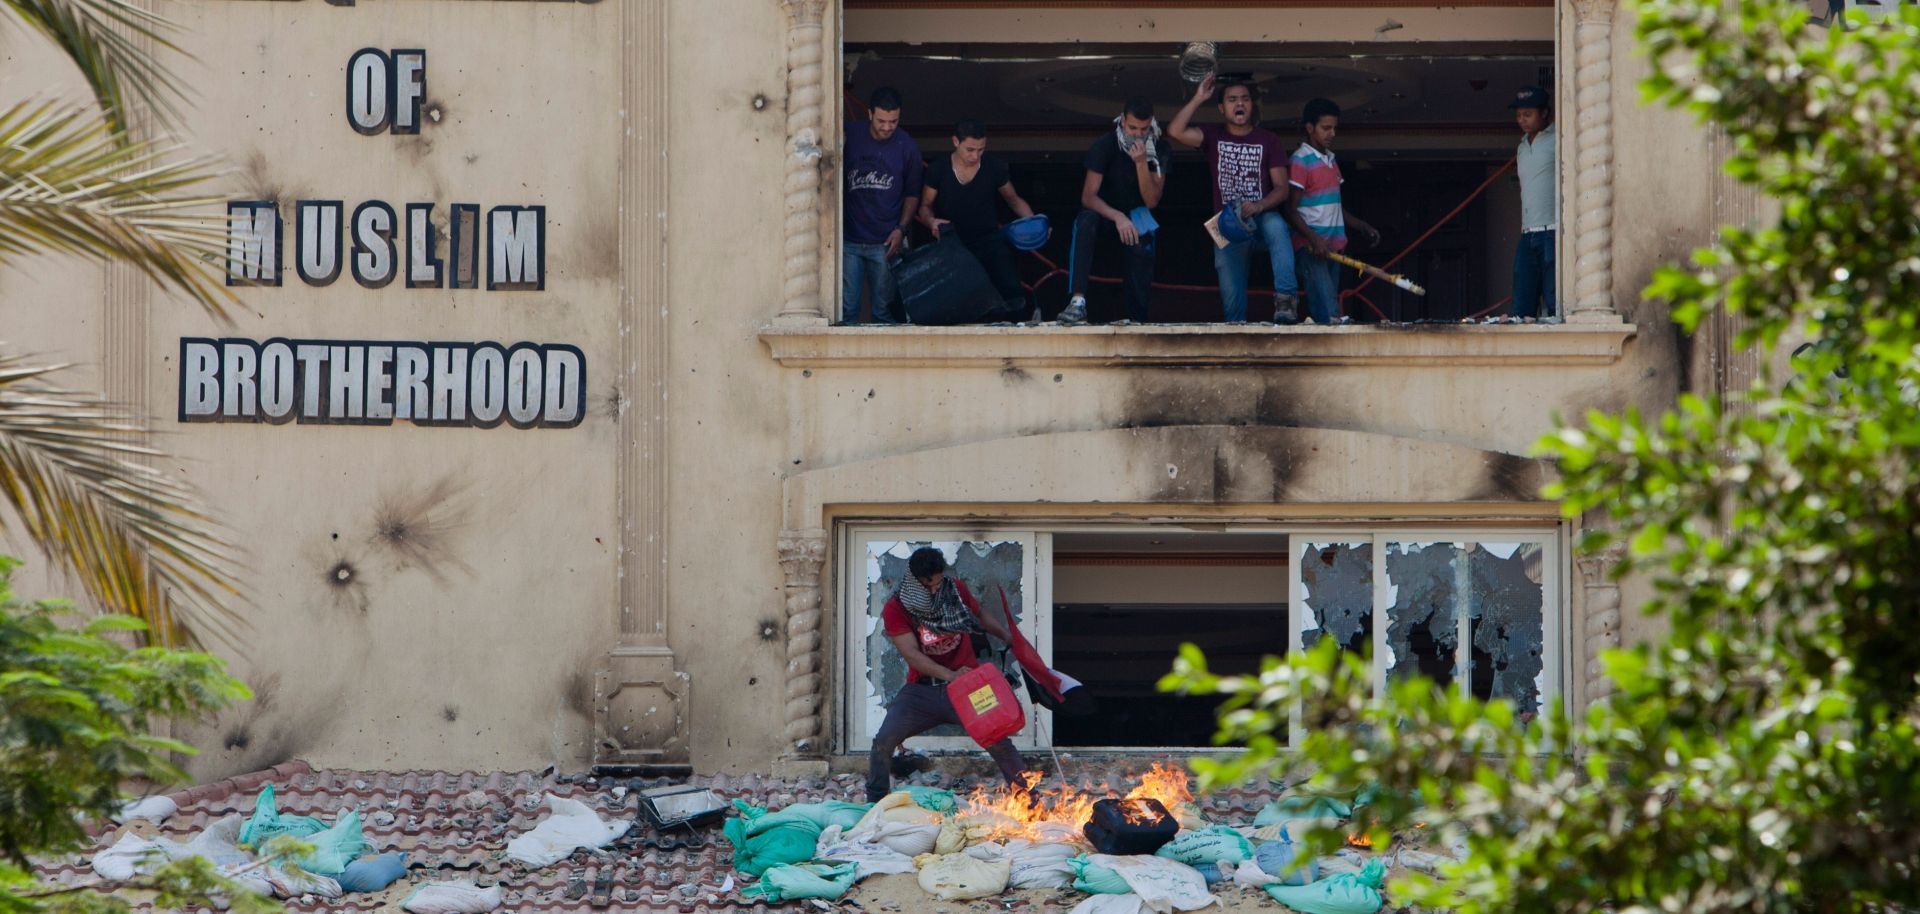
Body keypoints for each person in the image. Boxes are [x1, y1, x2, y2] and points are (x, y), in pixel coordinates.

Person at [868, 547, 1028, 804]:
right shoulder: (897, 608)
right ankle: (873, 803)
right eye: (927, 586)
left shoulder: (955, 589)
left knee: (998, 740)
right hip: (923, 691)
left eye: (938, 583)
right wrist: (951, 675)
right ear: (915, 581)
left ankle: (1029, 802)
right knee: (884, 741)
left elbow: (980, 615)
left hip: (969, 686)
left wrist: (1008, 637)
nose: (934, 591)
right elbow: (912, 654)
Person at [1168, 74, 1300, 323]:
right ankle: (1236, 336)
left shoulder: (1268, 140)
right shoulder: (1213, 136)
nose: (1239, 104)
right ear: (1221, 108)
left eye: (1245, 99)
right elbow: (1175, 131)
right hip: (1226, 223)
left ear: (1252, 105)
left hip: (1260, 217)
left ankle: (1286, 299)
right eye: (1232, 100)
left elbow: (1282, 188)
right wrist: (1198, 97)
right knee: (1232, 305)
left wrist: (1260, 205)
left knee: (1277, 225)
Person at [1060, 97, 1169, 325]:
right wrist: (1117, 216)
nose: (1138, 135)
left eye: (1144, 129)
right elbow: (1088, 196)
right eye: (1132, 128)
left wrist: (1141, 163)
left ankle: (1137, 318)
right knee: (1085, 220)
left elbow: (1152, 200)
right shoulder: (1106, 144)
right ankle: (1077, 302)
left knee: (1144, 240)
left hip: (1137, 214)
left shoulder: (1159, 147)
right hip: (1105, 213)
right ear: (1122, 121)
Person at [918, 119, 1039, 321]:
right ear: (955, 142)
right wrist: (931, 222)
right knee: (955, 300)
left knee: (1010, 288)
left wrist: (1035, 224)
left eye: (980, 150)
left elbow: (1013, 200)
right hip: (952, 243)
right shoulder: (938, 169)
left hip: (988, 239)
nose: (975, 156)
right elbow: (925, 206)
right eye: (970, 149)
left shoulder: (993, 166)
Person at [1282, 98, 1380, 324]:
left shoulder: (1331, 160)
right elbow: (1291, 210)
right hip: (1311, 248)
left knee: (1326, 308)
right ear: (1310, 128)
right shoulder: (1300, 160)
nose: (1332, 133)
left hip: (1333, 247)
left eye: (1334, 128)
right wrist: (1314, 239)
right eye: (1326, 128)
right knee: (1328, 310)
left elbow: (1335, 207)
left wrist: (1362, 226)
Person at [842, 87, 923, 325]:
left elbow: (912, 193)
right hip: (848, 240)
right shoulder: (849, 134)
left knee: (883, 311)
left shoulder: (907, 146)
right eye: (881, 121)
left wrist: (901, 229)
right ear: (869, 114)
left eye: (893, 121)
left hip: (886, 242)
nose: (887, 127)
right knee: (847, 311)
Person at [1508, 86, 1557, 320]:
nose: (1522, 120)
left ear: (1544, 113)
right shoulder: (1521, 146)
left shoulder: (1558, 139)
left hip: (1552, 230)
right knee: (1522, 300)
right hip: (1527, 232)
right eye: (1518, 115)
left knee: (1555, 296)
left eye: (1528, 115)